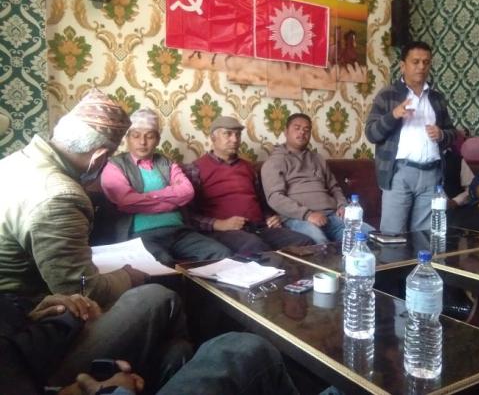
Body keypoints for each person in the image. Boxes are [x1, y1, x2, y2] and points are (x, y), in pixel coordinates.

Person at [0, 89, 147, 308]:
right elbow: (83, 290)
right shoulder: (61, 195)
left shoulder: (15, 160)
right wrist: (128, 277)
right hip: (21, 310)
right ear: (99, 156)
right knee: (158, 297)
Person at [1, 290, 298, 395]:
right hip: (31, 368)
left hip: (27, 347)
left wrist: (29, 314)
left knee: (175, 352)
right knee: (243, 349)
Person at [0, 285, 192, 395]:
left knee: (177, 352)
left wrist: (32, 314)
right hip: (32, 373)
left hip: (30, 340)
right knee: (156, 297)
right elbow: (88, 282)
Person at [100, 108, 231, 267]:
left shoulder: (167, 163)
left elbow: (187, 192)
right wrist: (171, 201)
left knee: (223, 254)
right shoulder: (115, 165)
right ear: (127, 138)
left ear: (157, 140)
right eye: (136, 135)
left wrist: (146, 197)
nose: (142, 142)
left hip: (179, 231)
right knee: (162, 263)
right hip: (141, 236)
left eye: (150, 136)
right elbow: (126, 201)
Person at [184, 116, 314, 255]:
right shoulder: (195, 169)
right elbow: (187, 215)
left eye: (238, 135)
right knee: (255, 246)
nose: (235, 140)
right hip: (225, 231)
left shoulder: (248, 167)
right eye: (228, 134)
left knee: (304, 242)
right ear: (213, 137)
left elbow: (261, 201)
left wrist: (271, 217)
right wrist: (218, 224)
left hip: (259, 227)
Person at [365, 41, 457, 234]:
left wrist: (442, 134)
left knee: (425, 236)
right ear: (402, 65)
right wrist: (394, 115)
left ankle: (422, 257)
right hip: (399, 173)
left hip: (432, 175)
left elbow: (452, 134)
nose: (421, 67)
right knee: (393, 235)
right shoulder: (388, 95)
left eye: (426, 62)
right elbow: (372, 133)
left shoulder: (437, 98)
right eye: (415, 62)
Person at [261, 113, 371, 244]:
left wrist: (342, 205)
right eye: (297, 128)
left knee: (370, 235)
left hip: (331, 216)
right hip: (298, 218)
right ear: (286, 132)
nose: (302, 132)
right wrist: (308, 215)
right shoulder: (274, 162)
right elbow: (275, 197)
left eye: (306, 130)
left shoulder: (318, 159)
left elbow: (334, 187)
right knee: (319, 242)